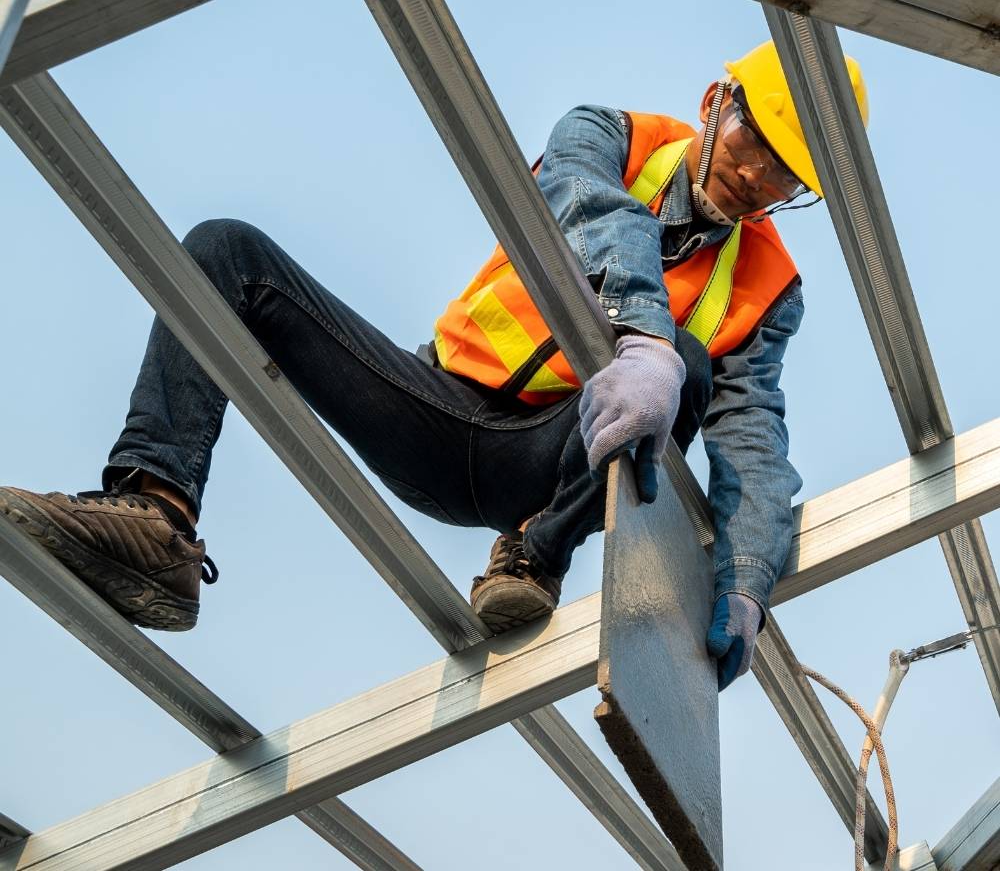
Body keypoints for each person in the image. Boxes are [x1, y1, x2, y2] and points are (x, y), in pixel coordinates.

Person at [0, 41, 867, 690]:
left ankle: (533, 559)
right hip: (436, 407)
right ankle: (157, 520)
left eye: (790, 174)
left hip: (547, 473)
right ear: (718, 99)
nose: (759, 175)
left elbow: (755, 440)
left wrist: (749, 577)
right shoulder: (607, 137)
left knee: (686, 368)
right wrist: (640, 333)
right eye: (758, 138)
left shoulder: (769, 283)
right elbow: (593, 211)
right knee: (225, 253)